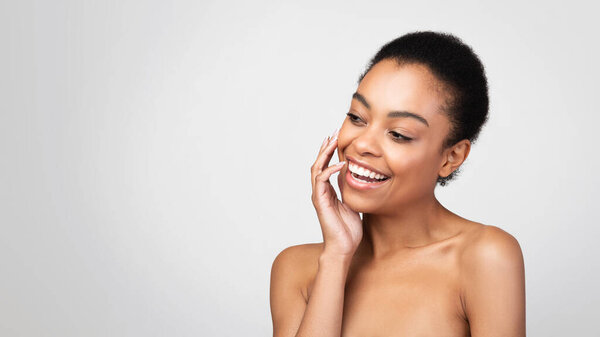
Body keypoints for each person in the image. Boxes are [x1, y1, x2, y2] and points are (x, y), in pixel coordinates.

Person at [270, 31, 526, 337]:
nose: (363, 143)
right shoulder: (296, 269)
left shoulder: (484, 257)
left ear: (451, 157)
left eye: (399, 134)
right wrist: (337, 257)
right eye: (357, 117)